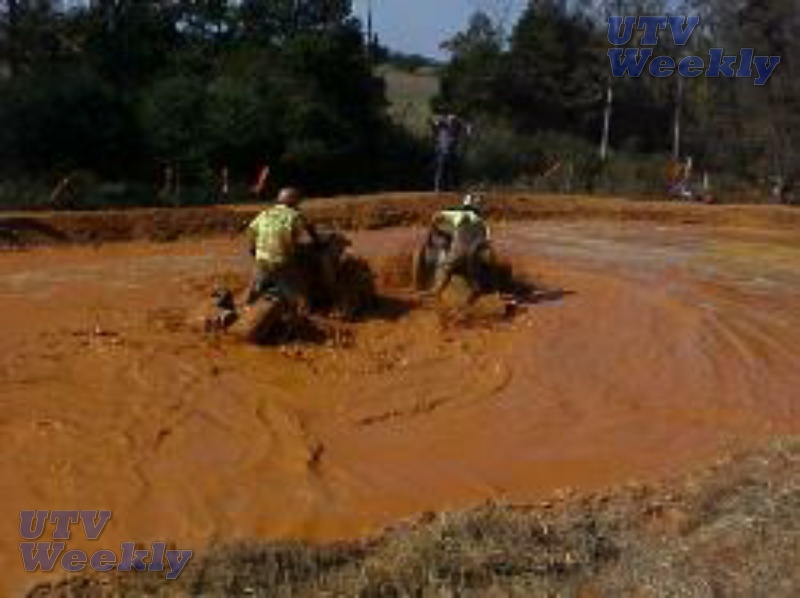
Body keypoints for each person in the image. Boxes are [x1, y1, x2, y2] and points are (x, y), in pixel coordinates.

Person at [245, 187, 319, 308]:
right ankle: (307, 314)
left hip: (262, 260)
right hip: (282, 262)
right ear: (294, 202)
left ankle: (246, 306)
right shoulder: (295, 215)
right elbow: (309, 230)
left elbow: (251, 231)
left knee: (256, 286)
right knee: (301, 294)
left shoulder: (265, 213)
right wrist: (317, 242)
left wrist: (253, 251)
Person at [429, 193, 491, 296]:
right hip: (474, 258)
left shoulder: (458, 214)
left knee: (446, 269)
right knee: (476, 272)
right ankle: (477, 289)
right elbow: (487, 243)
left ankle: (437, 291)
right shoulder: (482, 223)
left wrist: (435, 230)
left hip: (458, 253)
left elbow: (436, 216)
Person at [431, 113, 470, 192]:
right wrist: (442, 120)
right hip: (442, 151)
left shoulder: (457, 126)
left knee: (452, 170)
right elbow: (435, 120)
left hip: (451, 151)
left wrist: (467, 130)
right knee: (441, 170)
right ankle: (438, 188)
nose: (452, 122)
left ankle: (451, 187)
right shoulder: (443, 125)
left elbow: (467, 126)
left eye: (454, 121)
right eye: (451, 121)